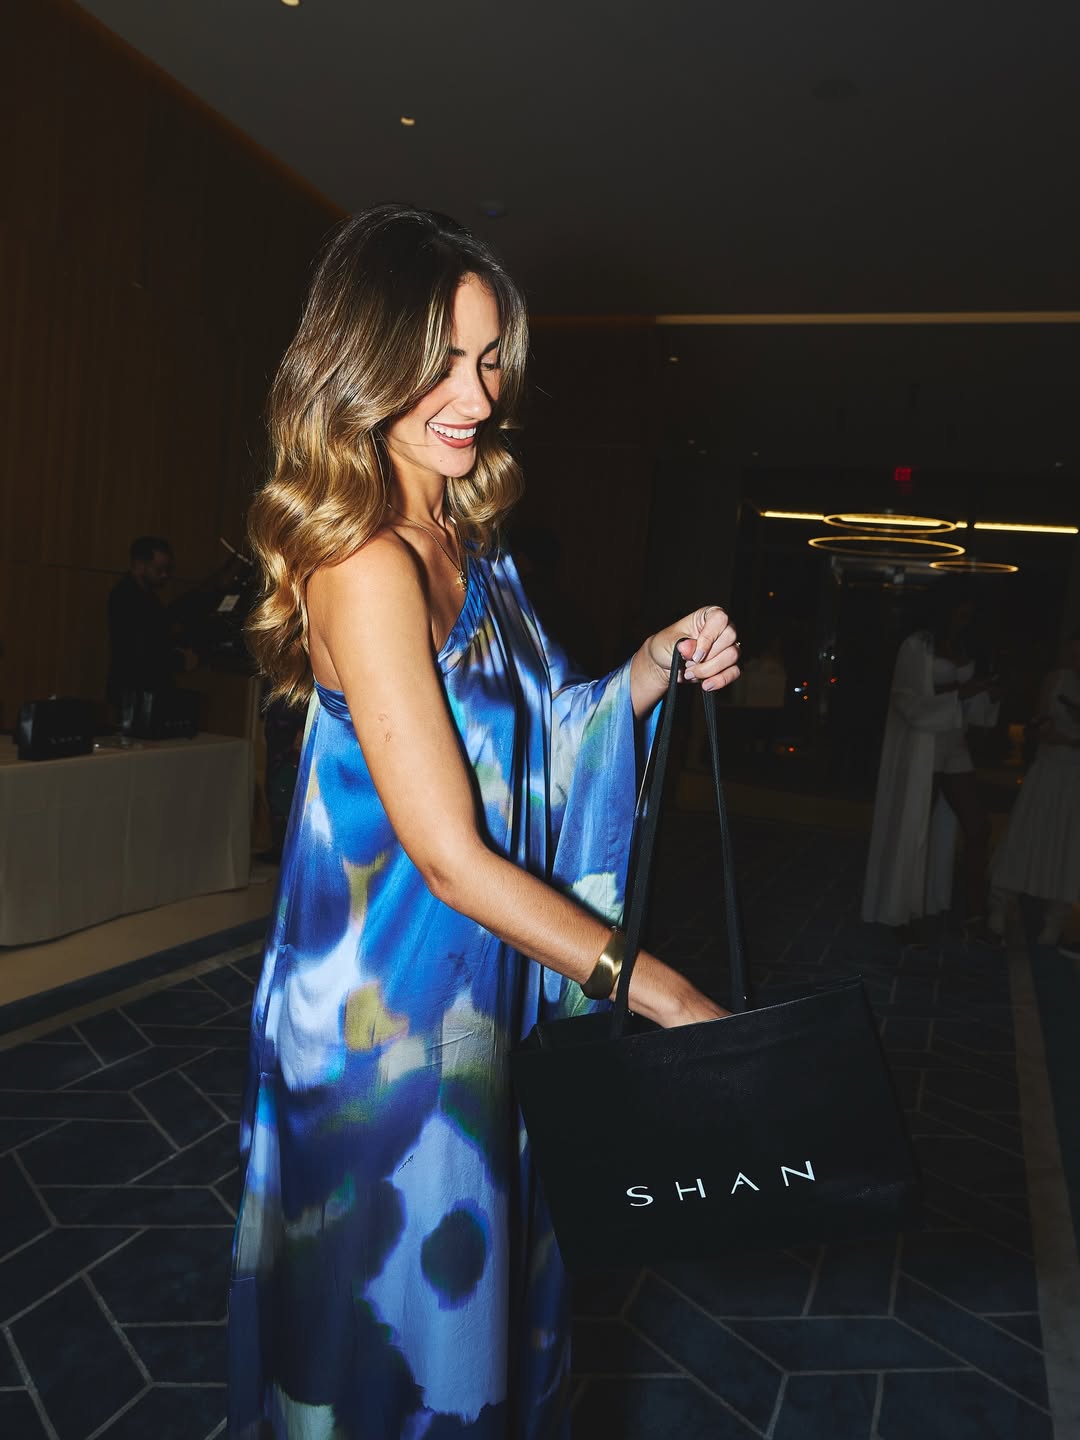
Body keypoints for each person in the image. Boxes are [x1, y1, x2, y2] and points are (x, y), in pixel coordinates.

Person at [227, 205, 740, 1440]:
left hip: (482, 1005)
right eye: (441, 362)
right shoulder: (365, 563)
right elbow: (452, 855)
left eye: (490, 358)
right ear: (363, 363)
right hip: (385, 1039)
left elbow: (545, 737)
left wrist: (650, 666)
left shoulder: (469, 541)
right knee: (395, 1351)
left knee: (481, 1322)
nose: (477, 395)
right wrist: (666, 996)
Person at [861, 586, 999, 941]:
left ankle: (974, 912)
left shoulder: (964, 645)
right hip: (924, 743)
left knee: (978, 827)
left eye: (970, 614)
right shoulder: (917, 645)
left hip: (955, 742)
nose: (964, 619)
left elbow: (973, 703)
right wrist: (963, 693)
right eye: (960, 612)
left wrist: (985, 696)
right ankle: (906, 911)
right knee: (916, 826)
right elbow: (906, 699)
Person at [988, 628, 1080, 947]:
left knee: (1068, 844)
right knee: (1027, 832)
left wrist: (1070, 737)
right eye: (1074, 653)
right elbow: (1038, 721)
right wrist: (1043, 728)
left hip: (1076, 774)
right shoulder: (1056, 679)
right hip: (1047, 768)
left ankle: (1055, 918)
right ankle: (999, 905)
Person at [106, 536, 182, 706]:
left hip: (138, 689)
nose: (165, 575)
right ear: (140, 565)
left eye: (167, 570)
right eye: (159, 570)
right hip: (133, 690)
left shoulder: (145, 595)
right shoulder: (125, 597)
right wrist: (177, 659)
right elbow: (142, 646)